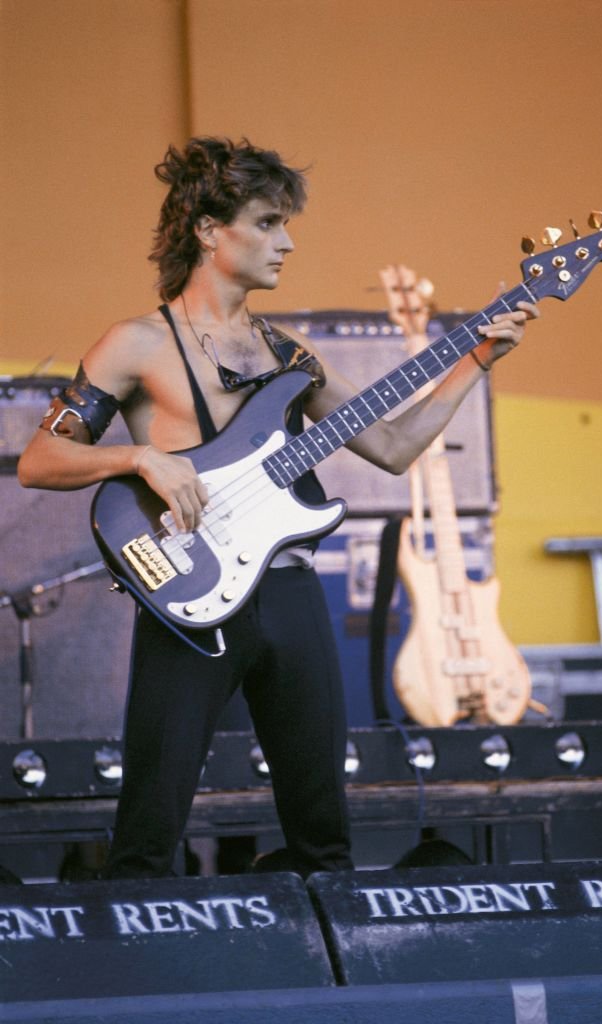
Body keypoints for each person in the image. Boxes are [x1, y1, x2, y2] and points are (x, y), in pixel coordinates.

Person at [17, 136, 538, 879]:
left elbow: (391, 446)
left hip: (288, 592)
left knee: (322, 827)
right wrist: (138, 456)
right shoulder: (134, 344)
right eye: (266, 223)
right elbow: (42, 460)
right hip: (190, 595)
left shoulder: (286, 356)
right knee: (148, 829)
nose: (286, 242)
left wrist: (473, 362)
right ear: (207, 229)